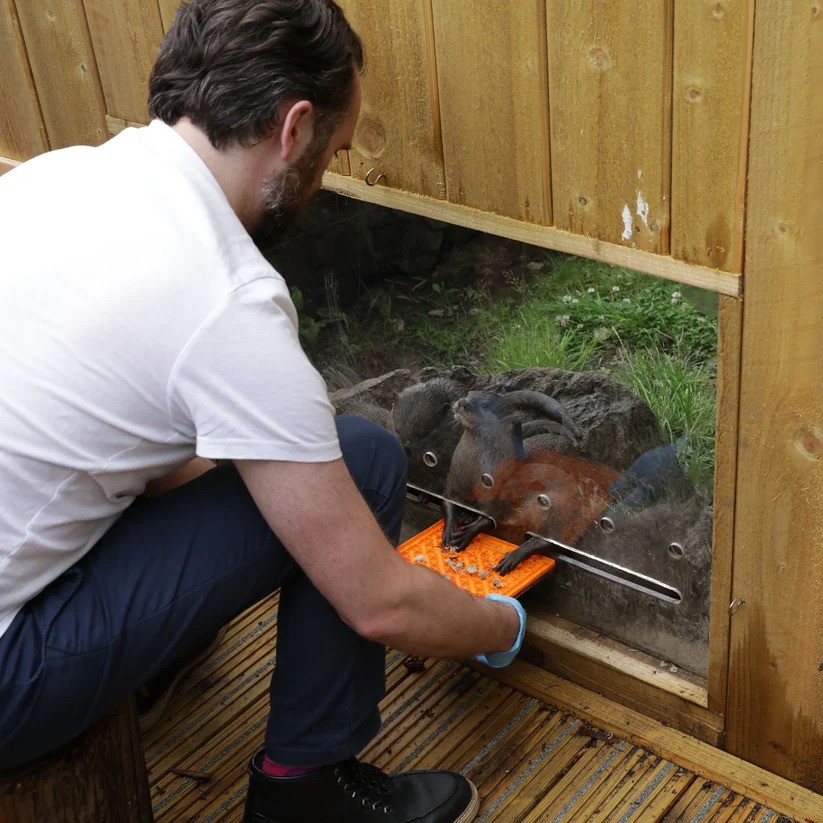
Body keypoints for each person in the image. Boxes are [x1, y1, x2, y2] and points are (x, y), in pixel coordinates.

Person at [0, 1, 527, 820]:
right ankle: (304, 793)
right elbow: (377, 601)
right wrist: (498, 623)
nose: (325, 177)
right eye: (335, 154)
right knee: (361, 458)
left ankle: (149, 668)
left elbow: (102, 439)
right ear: (294, 127)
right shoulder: (224, 298)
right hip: (8, 675)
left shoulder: (59, 175)